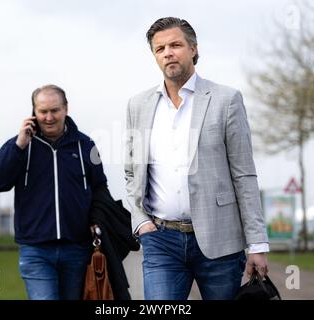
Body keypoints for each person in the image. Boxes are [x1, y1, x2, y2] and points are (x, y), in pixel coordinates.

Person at [124, 17, 269, 300]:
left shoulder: (226, 100)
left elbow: (244, 174)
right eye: (160, 48)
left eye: (175, 45)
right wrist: (141, 222)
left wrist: (257, 244)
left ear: (193, 49)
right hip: (161, 240)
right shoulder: (138, 106)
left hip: (220, 242)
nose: (168, 53)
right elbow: (132, 172)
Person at [0, 84, 107, 300]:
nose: (49, 117)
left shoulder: (86, 145)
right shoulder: (20, 145)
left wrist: (96, 221)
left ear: (66, 109)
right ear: (34, 112)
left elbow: (100, 188)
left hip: (77, 248)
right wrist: (19, 145)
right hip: (35, 250)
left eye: (55, 110)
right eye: (43, 111)